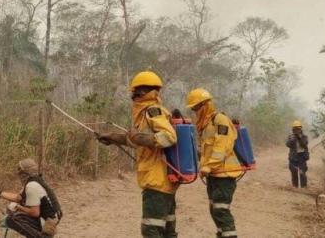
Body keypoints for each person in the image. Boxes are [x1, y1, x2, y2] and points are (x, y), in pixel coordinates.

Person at [99, 71, 178, 238]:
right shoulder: (147, 112)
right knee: (167, 231)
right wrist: (113, 138)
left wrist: (141, 138)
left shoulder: (152, 111)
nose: (132, 95)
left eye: (134, 91)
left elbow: (168, 137)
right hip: (163, 181)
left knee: (151, 229)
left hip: (157, 181)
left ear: (142, 91)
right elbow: (139, 140)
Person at [186, 88, 242, 238]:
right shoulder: (206, 124)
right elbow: (207, 150)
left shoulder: (220, 119)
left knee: (221, 210)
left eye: (197, 107)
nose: (195, 111)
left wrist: (209, 166)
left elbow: (221, 146)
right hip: (214, 175)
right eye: (193, 109)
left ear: (205, 104)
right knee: (214, 210)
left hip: (224, 175)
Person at [0, 158, 62, 237]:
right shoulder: (34, 181)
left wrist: (19, 207)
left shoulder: (31, 186)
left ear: (24, 173)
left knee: (11, 219)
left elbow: (35, 213)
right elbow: (18, 198)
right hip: (49, 217)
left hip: (48, 222)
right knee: (17, 215)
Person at [286, 120, 310, 188]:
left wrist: (299, 138)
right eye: (295, 129)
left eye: (298, 129)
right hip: (293, 156)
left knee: (302, 172)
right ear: (293, 129)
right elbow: (287, 145)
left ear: (301, 129)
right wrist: (292, 139)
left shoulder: (304, 137)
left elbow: (304, 145)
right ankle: (295, 186)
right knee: (294, 172)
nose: (296, 130)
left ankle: (303, 186)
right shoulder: (291, 136)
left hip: (302, 156)